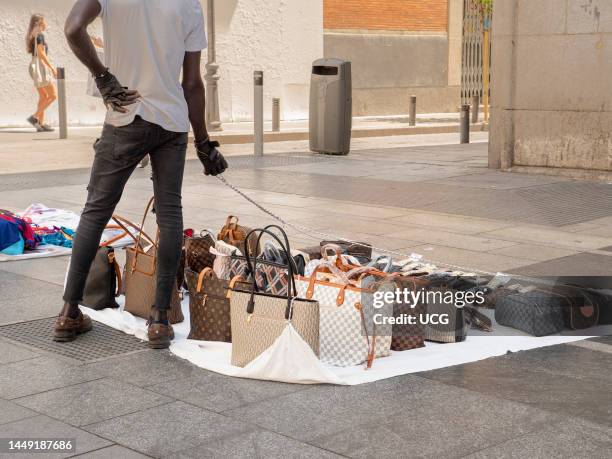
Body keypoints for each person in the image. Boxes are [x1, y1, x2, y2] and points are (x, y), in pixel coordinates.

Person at [56, 0, 228, 349]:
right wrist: (205, 143)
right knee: (169, 212)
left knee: (96, 211)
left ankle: (69, 312)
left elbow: (73, 28)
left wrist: (104, 78)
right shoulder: (189, 6)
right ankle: (160, 320)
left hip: (125, 116)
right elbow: (192, 83)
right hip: (172, 123)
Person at [25, 14, 57, 132]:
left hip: (34, 66)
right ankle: (34, 117)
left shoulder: (32, 34)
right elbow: (41, 53)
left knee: (43, 96)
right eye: (44, 21)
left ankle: (40, 124)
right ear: (39, 23)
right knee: (53, 96)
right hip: (40, 67)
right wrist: (52, 68)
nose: (46, 23)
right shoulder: (40, 35)